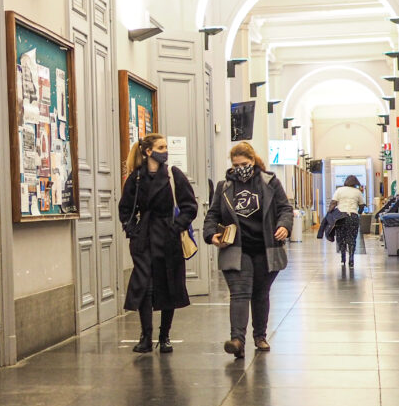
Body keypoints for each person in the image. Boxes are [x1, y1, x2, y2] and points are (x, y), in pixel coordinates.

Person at [203, 141, 293, 357]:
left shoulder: (269, 183)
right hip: (236, 249)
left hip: (265, 249)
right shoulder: (224, 187)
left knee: (261, 294)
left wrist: (284, 226)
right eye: (235, 165)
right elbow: (213, 214)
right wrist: (211, 234)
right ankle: (237, 340)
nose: (240, 168)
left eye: (244, 163)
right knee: (239, 293)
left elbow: (285, 209)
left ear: (253, 161)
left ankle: (260, 336)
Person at [118, 133, 198, 353]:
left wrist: (176, 226)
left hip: (168, 238)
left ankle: (165, 336)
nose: (165, 150)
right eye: (161, 147)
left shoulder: (174, 175)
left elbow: (190, 206)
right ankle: (146, 336)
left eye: (166, 147)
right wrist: (132, 229)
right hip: (143, 239)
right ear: (148, 151)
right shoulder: (135, 179)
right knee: (145, 286)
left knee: (169, 285)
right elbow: (125, 208)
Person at [329, 176, 366, 267]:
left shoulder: (339, 190)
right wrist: (359, 213)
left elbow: (333, 203)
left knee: (341, 237)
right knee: (352, 238)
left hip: (340, 217)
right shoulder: (358, 192)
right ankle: (351, 258)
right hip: (353, 216)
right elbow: (362, 205)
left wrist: (329, 214)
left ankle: (343, 257)